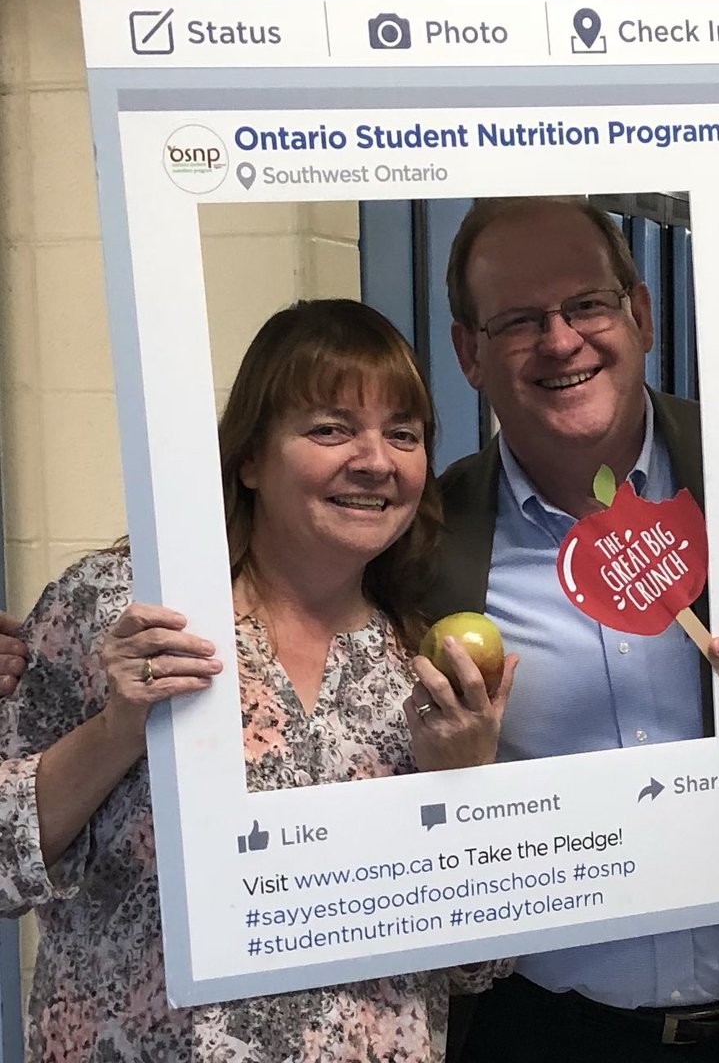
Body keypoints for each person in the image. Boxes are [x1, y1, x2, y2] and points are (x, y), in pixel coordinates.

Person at [424, 195, 719, 1063]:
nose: (561, 341)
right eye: (520, 321)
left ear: (638, 314)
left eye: (587, 305)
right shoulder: (426, 536)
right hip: (539, 1030)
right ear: (468, 353)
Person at [0, 298, 516, 1063]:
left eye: (402, 434)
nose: (375, 460)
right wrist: (118, 727)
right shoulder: (125, 610)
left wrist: (462, 783)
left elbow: (478, 964)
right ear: (249, 458)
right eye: (330, 428)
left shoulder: (414, 663)